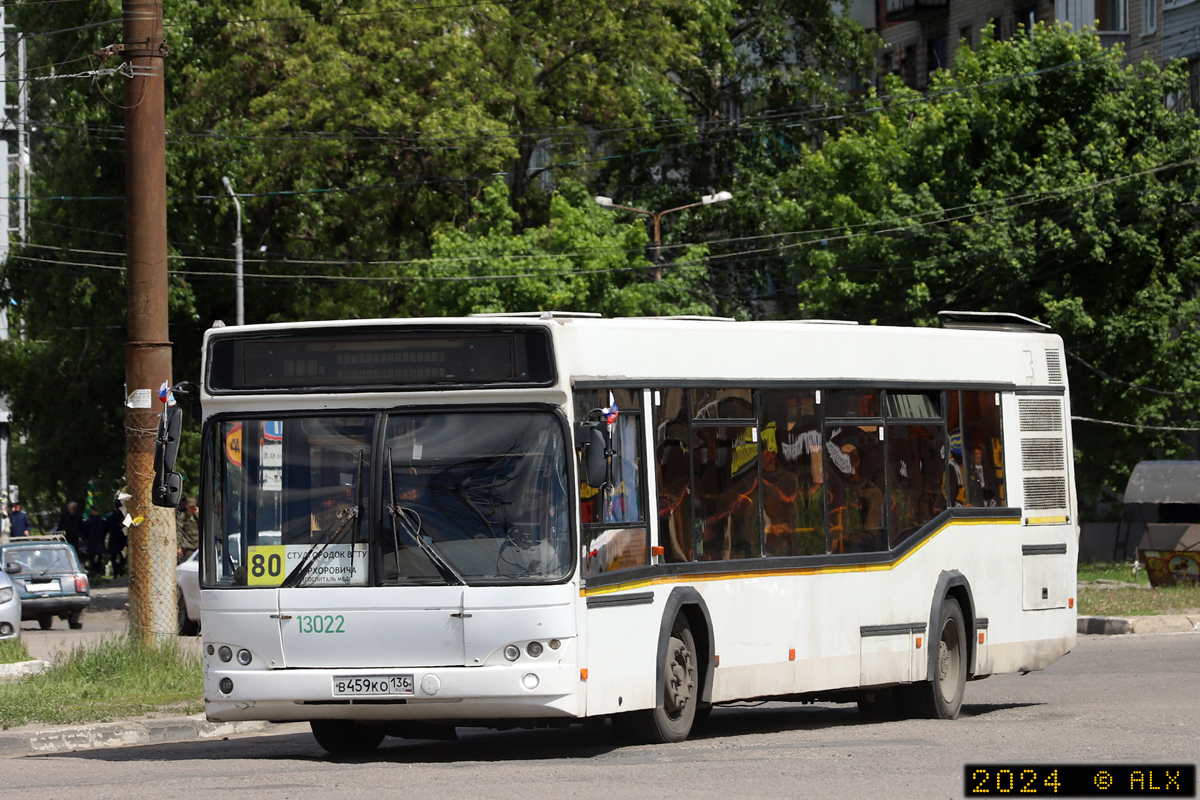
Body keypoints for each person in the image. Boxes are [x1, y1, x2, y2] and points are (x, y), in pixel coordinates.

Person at [83, 506, 108, 575]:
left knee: (100, 556)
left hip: (99, 540)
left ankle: (98, 570)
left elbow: (104, 531)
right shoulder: (88, 521)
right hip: (91, 541)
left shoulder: (102, 521)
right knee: (91, 557)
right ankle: (93, 570)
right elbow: (85, 532)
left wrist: (101, 540)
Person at [106, 501, 127, 577]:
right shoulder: (110, 518)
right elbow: (106, 529)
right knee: (113, 557)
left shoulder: (124, 517)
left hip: (123, 539)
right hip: (113, 540)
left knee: (123, 557)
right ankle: (115, 572)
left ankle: (120, 569)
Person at [176, 496, 199, 563]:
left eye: (193, 506)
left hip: (198, 544)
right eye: (190, 506)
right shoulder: (183, 517)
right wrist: (179, 546)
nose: (191, 508)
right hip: (188, 546)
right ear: (187, 506)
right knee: (189, 563)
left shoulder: (197, 516)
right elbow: (178, 532)